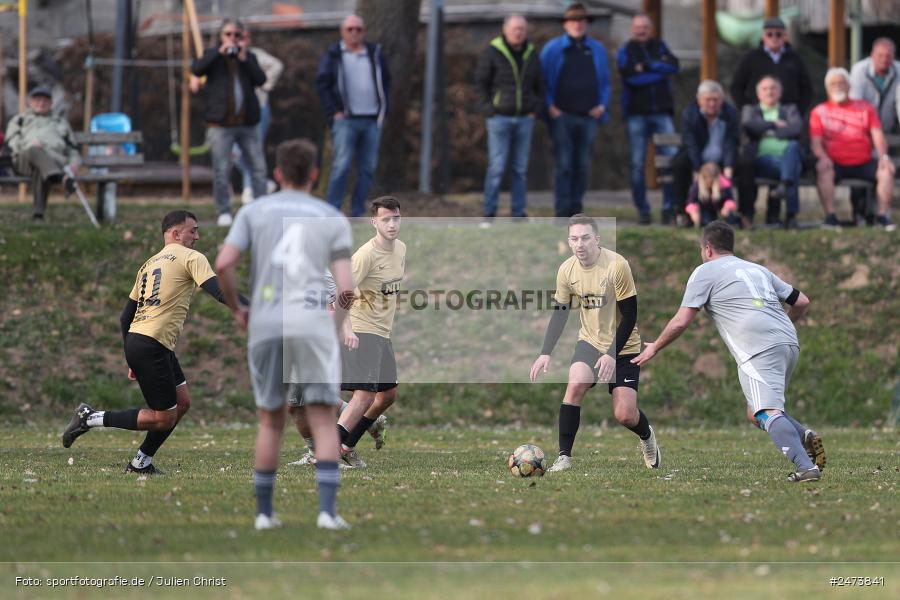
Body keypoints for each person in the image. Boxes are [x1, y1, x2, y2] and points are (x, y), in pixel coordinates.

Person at [215, 139, 355, 531]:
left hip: (267, 323)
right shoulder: (330, 216)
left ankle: (263, 515)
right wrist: (333, 324)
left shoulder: (254, 211)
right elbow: (345, 289)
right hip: (312, 322)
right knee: (324, 420)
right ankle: (327, 513)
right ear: (314, 174)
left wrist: (240, 308)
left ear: (276, 174)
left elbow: (224, 263)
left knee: (270, 420)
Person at [632, 221, 826, 483]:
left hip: (758, 347)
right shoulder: (758, 269)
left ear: (708, 248)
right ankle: (804, 437)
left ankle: (806, 467)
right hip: (788, 341)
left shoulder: (705, 271)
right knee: (755, 411)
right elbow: (802, 301)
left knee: (766, 412)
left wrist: (655, 346)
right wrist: (781, 328)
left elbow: (681, 321)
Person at [61, 210, 245, 473]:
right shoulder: (192, 257)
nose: (197, 236)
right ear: (175, 233)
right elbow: (219, 291)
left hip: (146, 342)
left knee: (182, 403)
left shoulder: (148, 264)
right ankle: (91, 418)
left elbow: (126, 316)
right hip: (151, 343)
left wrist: (129, 355)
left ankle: (140, 463)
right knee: (163, 417)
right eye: (193, 230)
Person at [530, 214, 660, 472]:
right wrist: (545, 352)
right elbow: (560, 312)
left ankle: (647, 438)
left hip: (624, 346)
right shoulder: (566, 270)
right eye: (574, 238)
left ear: (597, 239)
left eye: (586, 238)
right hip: (590, 342)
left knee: (625, 415)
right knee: (575, 384)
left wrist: (612, 354)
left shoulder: (617, 265)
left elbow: (630, 315)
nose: (580, 244)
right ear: (569, 241)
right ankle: (564, 457)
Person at [336, 196, 405, 468]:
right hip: (361, 330)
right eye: (386, 219)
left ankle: (346, 445)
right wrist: (345, 327)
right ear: (374, 222)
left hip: (382, 333)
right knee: (363, 395)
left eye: (396, 218)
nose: (392, 224)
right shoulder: (365, 255)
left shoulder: (400, 248)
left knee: (387, 395)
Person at [191, 18, 268, 227]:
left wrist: (244, 58)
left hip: (248, 123)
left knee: (258, 168)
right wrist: (219, 52)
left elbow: (261, 80)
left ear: (243, 37)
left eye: (237, 35)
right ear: (221, 36)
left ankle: (261, 210)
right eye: (228, 34)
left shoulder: (248, 57)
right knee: (222, 169)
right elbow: (197, 69)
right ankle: (224, 211)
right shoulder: (212, 56)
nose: (233, 38)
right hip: (221, 125)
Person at [540, 2, 611, 218]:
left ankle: (576, 207)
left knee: (581, 164)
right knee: (564, 164)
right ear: (565, 24)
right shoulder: (553, 49)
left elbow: (605, 82)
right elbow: (542, 80)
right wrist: (549, 105)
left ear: (586, 24)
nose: (577, 25)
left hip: (589, 115)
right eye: (573, 21)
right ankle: (561, 209)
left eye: (581, 21)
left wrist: (602, 105)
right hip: (562, 115)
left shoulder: (596, 49)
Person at [316, 14, 391, 217]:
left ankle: (357, 211)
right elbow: (322, 85)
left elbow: (385, 83)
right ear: (342, 32)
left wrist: (383, 111)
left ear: (363, 32)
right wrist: (334, 112)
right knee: (341, 166)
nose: (354, 33)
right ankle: (332, 211)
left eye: (358, 29)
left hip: (371, 119)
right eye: (350, 29)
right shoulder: (333, 55)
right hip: (345, 121)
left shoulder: (374, 53)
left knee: (367, 169)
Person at [474, 14, 543, 219]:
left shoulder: (531, 53)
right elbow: (480, 83)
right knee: (496, 168)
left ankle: (518, 212)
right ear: (505, 30)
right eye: (514, 28)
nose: (518, 32)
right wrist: (489, 109)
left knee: (520, 170)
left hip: (524, 119)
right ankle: (489, 212)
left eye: (521, 28)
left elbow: (539, 84)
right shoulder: (492, 52)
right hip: (499, 119)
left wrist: (534, 108)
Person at [810, 68, 896, 230]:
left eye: (842, 83)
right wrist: (822, 157)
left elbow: (877, 135)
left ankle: (882, 216)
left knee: (886, 171)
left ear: (849, 86)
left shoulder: (866, 108)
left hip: (863, 161)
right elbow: (816, 142)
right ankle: (831, 217)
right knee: (823, 170)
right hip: (835, 163)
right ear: (827, 88)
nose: (838, 86)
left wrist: (884, 157)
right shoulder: (819, 112)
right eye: (833, 83)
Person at [616, 13, 680, 225]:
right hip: (636, 115)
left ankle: (669, 207)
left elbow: (674, 66)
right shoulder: (626, 51)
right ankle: (643, 209)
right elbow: (631, 78)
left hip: (662, 113)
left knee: (670, 162)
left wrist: (647, 65)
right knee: (637, 164)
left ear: (650, 29)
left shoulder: (660, 46)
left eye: (645, 27)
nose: (641, 31)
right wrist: (658, 69)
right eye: (637, 27)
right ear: (632, 29)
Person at [736, 76, 804, 228]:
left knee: (793, 148)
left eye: (773, 88)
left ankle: (785, 184)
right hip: (762, 161)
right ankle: (791, 215)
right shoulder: (751, 110)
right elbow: (750, 124)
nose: (769, 92)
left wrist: (768, 131)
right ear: (758, 94)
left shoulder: (789, 109)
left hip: (785, 159)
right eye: (765, 89)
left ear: (780, 92)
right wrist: (774, 124)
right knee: (794, 167)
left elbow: (796, 128)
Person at [4, 86, 79, 221]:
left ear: (51, 103)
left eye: (45, 100)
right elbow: (12, 142)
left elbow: (73, 150)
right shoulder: (20, 120)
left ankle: (38, 215)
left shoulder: (60, 122)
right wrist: (28, 146)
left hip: (52, 160)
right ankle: (60, 178)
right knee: (34, 151)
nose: (41, 103)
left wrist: (74, 165)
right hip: (24, 160)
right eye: (37, 99)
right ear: (30, 102)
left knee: (41, 167)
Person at [671, 81, 740, 221]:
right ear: (700, 100)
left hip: (721, 161)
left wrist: (728, 166)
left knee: (746, 164)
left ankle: (742, 214)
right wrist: (697, 168)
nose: (712, 103)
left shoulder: (730, 113)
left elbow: (731, 142)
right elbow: (691, 144)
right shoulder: (690, 114)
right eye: (708, 99)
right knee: (679, 164)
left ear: (721, 100)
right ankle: (682, 213)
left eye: (716, 99)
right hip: (697, 159)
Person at [236, 30, 284, 205]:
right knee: (235, 152)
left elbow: (277, 65)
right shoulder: (226, 56)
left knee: (252, 149)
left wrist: (266, 84)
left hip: (258, 109)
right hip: (234, 113)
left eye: (244, 37)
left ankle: (249, 189)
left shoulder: (255, 55)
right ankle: (262, 183)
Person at [729, 17, 813, 115]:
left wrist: (798, 112)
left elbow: (807, 89)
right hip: (757, 117)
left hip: (788, 118)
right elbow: (736, 87)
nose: (774, 38)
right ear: (763, 36)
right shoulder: (751, 58)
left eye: (778, 34)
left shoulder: (795, 58)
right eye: (769, 34)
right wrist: (747, 110)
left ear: (785, 36)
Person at [850, 38, 900, 135]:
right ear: (872, 55)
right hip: (864, 129)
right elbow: (856, 101)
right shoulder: (859, 70)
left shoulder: (899, 70)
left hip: (889, 127)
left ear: (894, 56)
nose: (884, 59)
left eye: (888, 56)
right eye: (880, 55)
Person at [685, 162, 737, 228]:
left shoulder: (725, 185)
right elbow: (690, 201)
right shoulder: (696, 186)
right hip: (705, 208)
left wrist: (727, 207)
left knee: (730, 216)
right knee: (706, 222)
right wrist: (693, 212)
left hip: (721, 208)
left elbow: (730, 199)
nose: (709, 183)